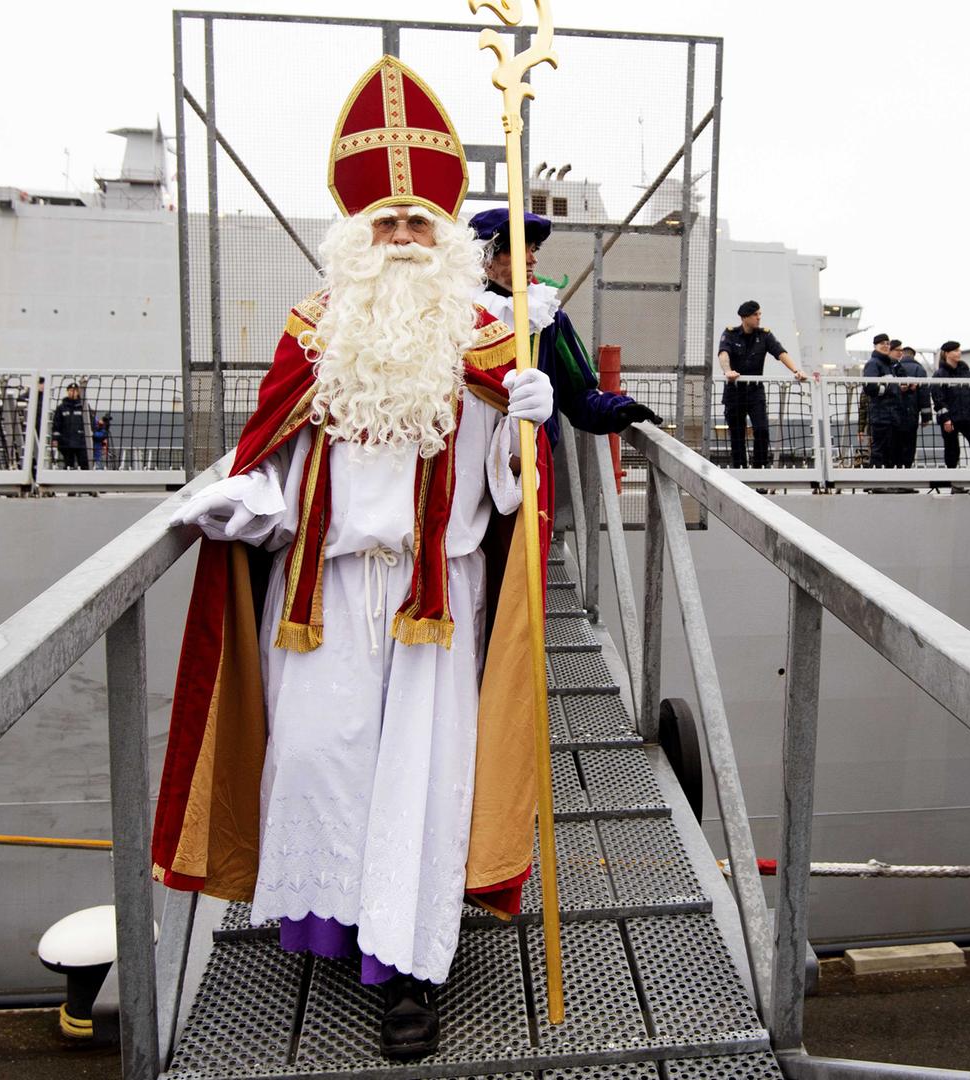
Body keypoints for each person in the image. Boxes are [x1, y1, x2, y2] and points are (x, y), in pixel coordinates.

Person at [151, 55, 553, 1061]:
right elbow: (275, 456)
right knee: (321, 762)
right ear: (356, 236)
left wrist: (529, 425)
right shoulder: (315, 332)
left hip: (436, 597)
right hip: (320, 596)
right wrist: (244, 498)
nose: (404, 238)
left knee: (420, 780)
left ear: (448, 235)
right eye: (387, 223)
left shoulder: (493, 338)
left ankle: (409, 971)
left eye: (419, 223)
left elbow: (514, 494)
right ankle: (331, 924)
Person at [467, 208, 659, 447]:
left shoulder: (546, 317)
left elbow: (577, 396)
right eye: (519, 250)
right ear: (486, 259)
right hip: (464, 451)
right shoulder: (456, 314)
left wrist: (619, 410)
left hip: (531, 457)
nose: (532, 259)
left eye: (533, 249)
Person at [715, 300, 808, 468]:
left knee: (762, 430)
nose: (759, 318)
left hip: (755, 392)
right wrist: (728, 371)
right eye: (755, 315)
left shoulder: (764, 335)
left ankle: (759, 469)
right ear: (744, 317)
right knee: (737, 435)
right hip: (734, 392)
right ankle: (740, 472)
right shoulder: (730, 334)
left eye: (759, 314)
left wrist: (796, 370)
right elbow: (723, 354)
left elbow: (780, 352)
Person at [863, 332, 928, 467]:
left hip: (894, 416)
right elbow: (870, 387)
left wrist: (906, 387)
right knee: (880, 451)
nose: (885, 346)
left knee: (892, 452)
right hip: (881, 416)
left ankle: (889, 478)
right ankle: (876, 479)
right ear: (875, 346)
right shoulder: (873, 364)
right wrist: (893, 389)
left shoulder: (891, 365)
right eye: (882, 343)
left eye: (887, 343)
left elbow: (896, 385)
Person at [931, 341, 970, 470]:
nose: (959, 353)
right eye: (955, 350)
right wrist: (946, 419)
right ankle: (952, 479)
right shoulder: (939, 375)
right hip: (950, 419)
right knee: (952, 451)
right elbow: (938, 399)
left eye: (959, 350)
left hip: (967, 418)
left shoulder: (966, 374)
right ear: (946, 353)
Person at [50, 382, 93, 469]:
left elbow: (91, 422)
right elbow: (56, 424)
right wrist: (55, 439)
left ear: (78, 392)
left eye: (74, 390)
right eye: (70, 390)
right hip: (66, 442)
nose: (72, 392)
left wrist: (91, 435)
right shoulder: (61, 408)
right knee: (68, 466)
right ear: (67, 391)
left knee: (85, 465)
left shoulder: (84, 406)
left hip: (81, 442)